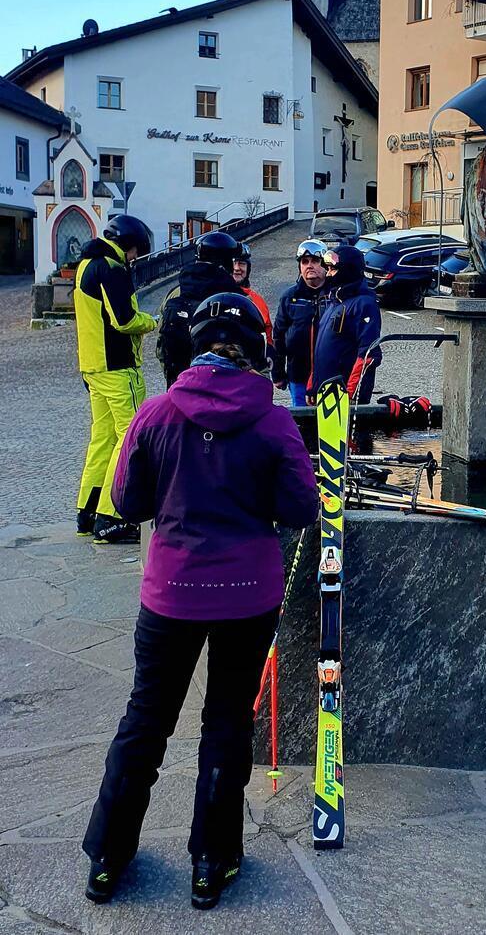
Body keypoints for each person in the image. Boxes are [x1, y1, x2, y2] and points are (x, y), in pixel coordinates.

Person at [82, 292, 318, 910]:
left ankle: (108, 858)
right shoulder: (273, 422)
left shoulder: (156, 413)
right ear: (256, 352)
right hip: (247, 594)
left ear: (195, 348)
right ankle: (212, 862)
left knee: (146, 719)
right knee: (227, 721)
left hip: (171, 593)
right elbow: (301, 507)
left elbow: (126, 501)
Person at [74, 214, 156, 545]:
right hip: (118, 367)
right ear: (128, 244)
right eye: (135, 251)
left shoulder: (86, 265)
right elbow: (124, 320)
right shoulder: (112, 268)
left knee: (102, 439)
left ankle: (88, 511)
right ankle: (111, 517)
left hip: (93, 366)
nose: (135, 258)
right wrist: (151, 321)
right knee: (130, 437)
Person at [156, 230, 238, 387]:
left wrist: (174, 377)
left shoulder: (176, 293)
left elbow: (162, 341)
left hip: (181, 383)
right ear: (227, 262)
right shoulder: (232, 296)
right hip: (220, 385)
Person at [309, 244, 382, 403]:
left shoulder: (364, 304)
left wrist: (349, 394)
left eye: (333, 269)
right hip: (325, 392)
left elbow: (368, 354)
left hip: (344, 395)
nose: (328, 274)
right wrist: (312, 387)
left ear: (347, 271)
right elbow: (320, 350)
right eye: (327, 269)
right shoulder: (334, 302)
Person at [272, 238, 329, 407]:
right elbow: (278, 336)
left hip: (331, 376)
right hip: (298, 375)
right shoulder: (290, 297)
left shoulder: (336, 295)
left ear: (325, 265)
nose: (309, 266)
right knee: (301, 420)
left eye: (315, 261)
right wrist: (278, 373)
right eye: (305, 262)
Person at [232, 242, 272, 345]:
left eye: (242, 263)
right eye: (233, 263)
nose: (236, 268)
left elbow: (267, 334)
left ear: (248, 268)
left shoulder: (257, 300)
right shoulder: (215, 295)